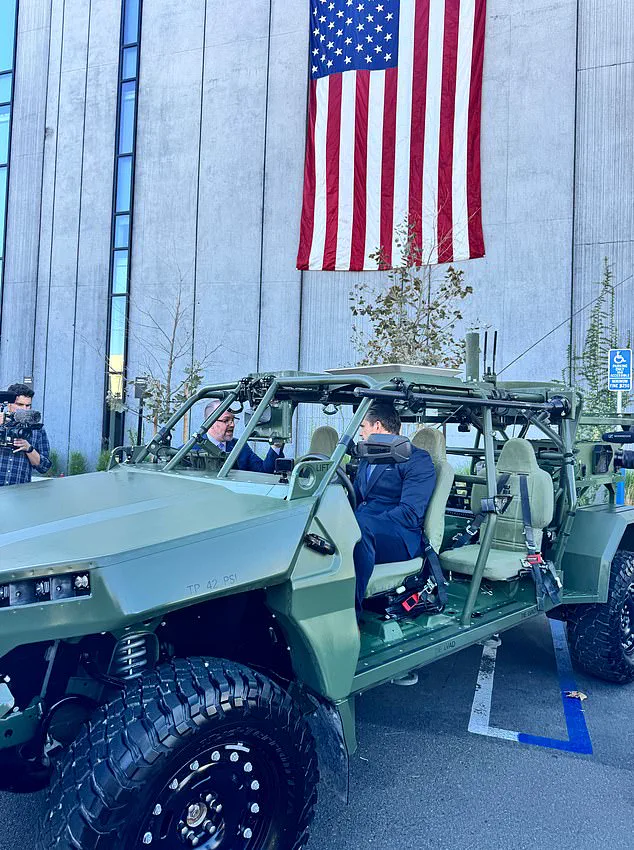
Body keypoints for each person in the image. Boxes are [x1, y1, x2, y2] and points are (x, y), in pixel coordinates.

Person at [353, 403, 436, 614]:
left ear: (377, 426)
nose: (360, 433)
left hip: (400, 535)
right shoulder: (368, 457)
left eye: (363, 427)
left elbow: (409, 514)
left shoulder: (417, 459)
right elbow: (356, 498)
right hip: (366, 527)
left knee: (358, 530)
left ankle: (351, 614)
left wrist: (361, 522)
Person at [198, 400, 284, 473]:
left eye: (233, 419)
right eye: (226, 420)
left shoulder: (239, 446)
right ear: (210, 422)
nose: (232, 424)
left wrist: (276, 446)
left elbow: (263, 471)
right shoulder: (193, 447)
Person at [0, 383, 52, 486]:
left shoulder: (37, 429)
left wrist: (29, 448)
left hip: (20, 491)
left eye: (28, 405)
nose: (24, 409)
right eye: (19, 405)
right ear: (9, 404)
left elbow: (44, 467)